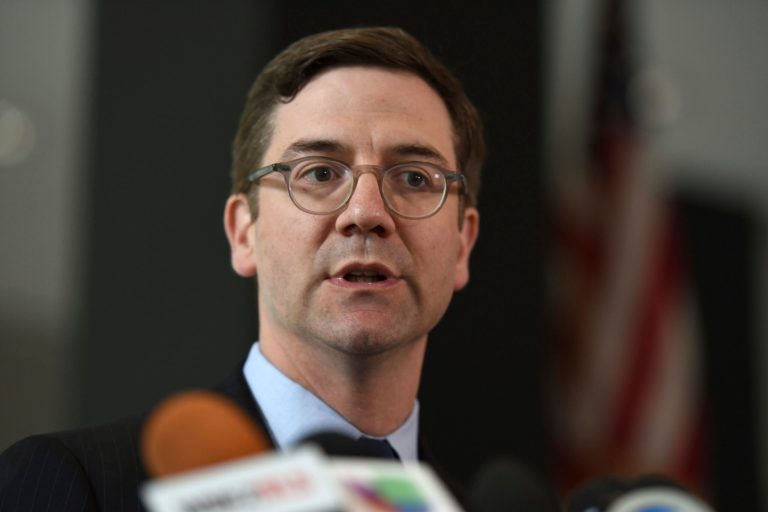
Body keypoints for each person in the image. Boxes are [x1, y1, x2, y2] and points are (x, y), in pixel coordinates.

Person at [0, 26, 483, 511]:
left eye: (416, 178)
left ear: (462, 244)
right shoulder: (81, 483)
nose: (366, 213)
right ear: (244, 232)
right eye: (318, 173)